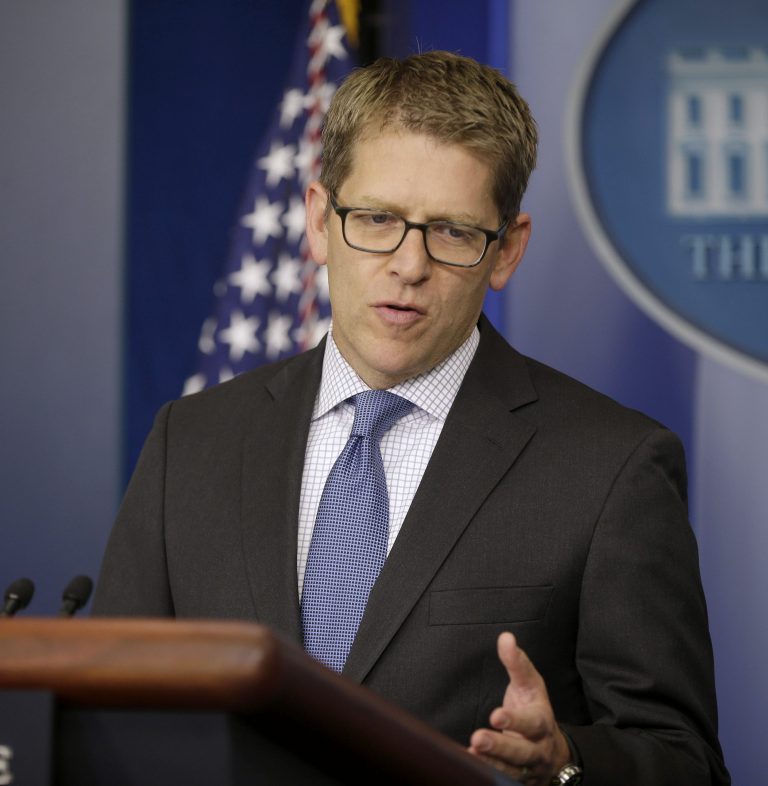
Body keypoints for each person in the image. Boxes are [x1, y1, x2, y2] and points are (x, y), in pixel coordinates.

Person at [93, 51, 729, 785]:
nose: (408, 264)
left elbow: (683, 761)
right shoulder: (191, 442)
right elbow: (111, 716)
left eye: (452, 232)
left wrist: (564, 764)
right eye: (376, 219)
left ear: (506, 250)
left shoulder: (611, 468)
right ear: (318, 220)